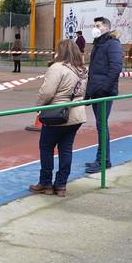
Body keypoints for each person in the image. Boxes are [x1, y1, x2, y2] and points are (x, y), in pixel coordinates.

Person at [29, 39, 87, 196]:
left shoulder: (57, 68)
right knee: (66, 149)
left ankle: (45, 183)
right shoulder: (81, 69)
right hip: (76, 114)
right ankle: (61, 185)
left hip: (57, 114)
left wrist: (38, 107)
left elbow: (47, 92)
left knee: (46, 147)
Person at [84, 17, 123, 173]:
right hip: (96, 91)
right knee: (100, 125)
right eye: (94, 25)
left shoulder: (112, 44)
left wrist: (104, 90)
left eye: (98, 25)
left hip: (104, 92)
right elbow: (93, 71)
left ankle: (103, 160)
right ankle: (100, 159)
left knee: (102, 125)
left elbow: (115, 68)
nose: (95, 28)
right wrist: (88, 93)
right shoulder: (99, 44)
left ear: (106, 27)